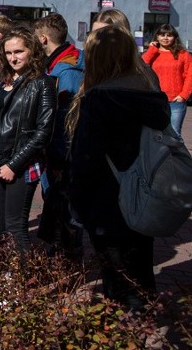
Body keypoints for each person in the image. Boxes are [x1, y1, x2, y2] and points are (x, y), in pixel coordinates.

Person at [67, 25, 169, 309]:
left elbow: (86, 158)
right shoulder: (149, 92)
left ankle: (127, 329)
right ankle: (144, 323)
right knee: (140, 268)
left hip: (108, 198)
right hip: (145, 191)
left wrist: (77, 201)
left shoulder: (100, 98)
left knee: (116, 276)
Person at [0, 27, 57, 251]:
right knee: (1, 224)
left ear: (32, 51)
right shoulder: (0, 81)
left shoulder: (42, 83)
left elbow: (44, 131)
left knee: (15, 224)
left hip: (22, 163)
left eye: (19, 52)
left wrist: (14, 165)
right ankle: (7, 273)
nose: (13, 57)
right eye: (9, 53)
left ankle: (21, 279)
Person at [33, 13, 84, 256]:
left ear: (43, 39)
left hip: (62, 151)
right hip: (57, 150)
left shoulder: (67, 69)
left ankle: (67, 253)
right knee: (58, 202)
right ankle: (61, 247)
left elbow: (67, 118)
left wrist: (58, 157)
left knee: (64, 204)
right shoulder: (61, 62)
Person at [142, 23, 192, 135]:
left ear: (174, 37)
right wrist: (152, 49)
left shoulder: (183, 54)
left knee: (175, 134)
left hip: (176, 101)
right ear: (157, 37)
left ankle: (176, 153)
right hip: (156, 100)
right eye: (162, 35)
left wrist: (183, 95)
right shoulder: (153, 53)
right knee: (155, 134)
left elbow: (190, 76)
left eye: (169, 35)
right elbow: (141, 66)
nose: (165, 38)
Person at [91, 8, 160, 88]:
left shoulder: (143, 75)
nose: (98, 40)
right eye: (94, 34)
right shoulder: (83, 68)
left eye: (106, 35)